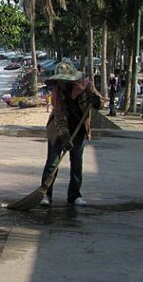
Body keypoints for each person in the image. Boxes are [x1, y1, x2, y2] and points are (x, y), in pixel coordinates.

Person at [39, 63, 104, 207]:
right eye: (60, 81)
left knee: (76, 162)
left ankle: (75, 195)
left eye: (65, 81)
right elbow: (59, 115)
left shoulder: (86, 86)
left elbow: (101, 102)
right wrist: (65, 137)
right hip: (58, 128)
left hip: (79, 126)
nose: (62, 84)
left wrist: (97, 102)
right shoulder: (57, 91)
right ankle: (45, 194)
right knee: (52, 162)